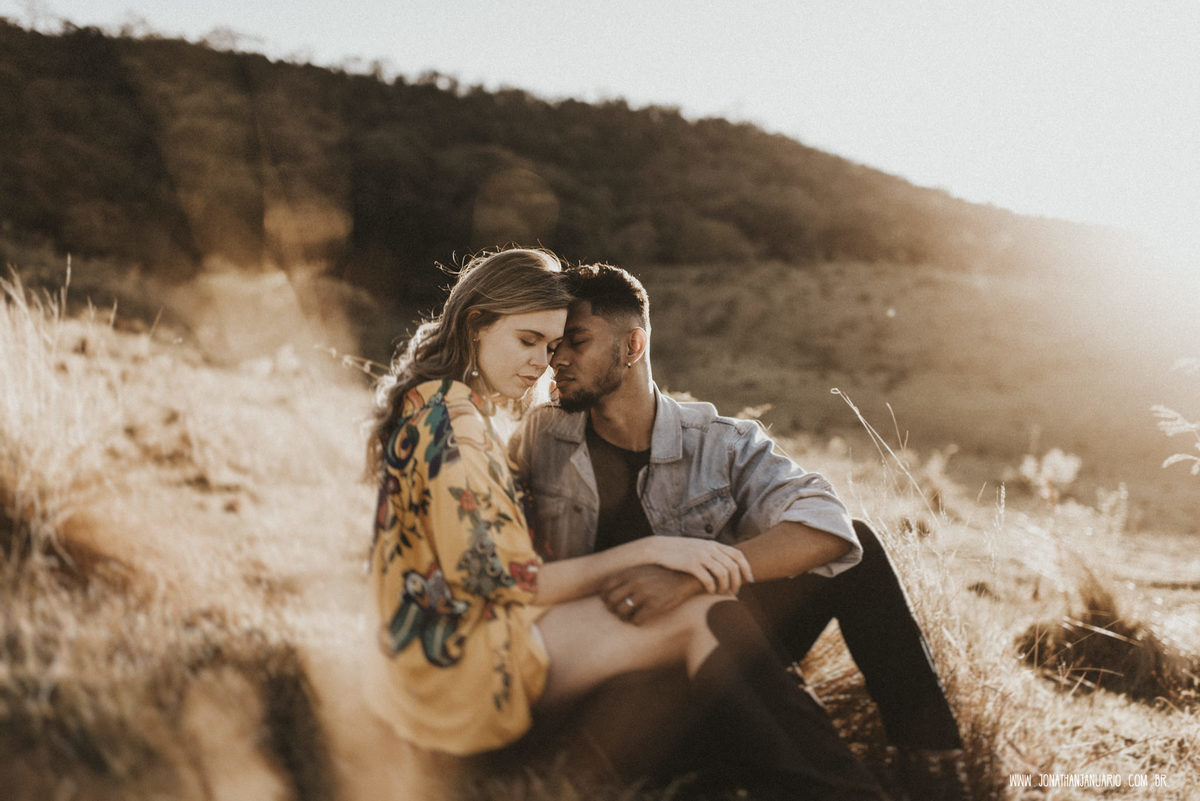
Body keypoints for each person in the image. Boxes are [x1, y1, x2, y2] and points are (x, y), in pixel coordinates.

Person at [366, 248, 889, 800]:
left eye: (553, 345)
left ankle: (767, 770)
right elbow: (506, 581)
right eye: (529, 341)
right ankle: (840, 791)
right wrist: (652, 552)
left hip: (428, 655)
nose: (545, 363)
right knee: (704, 613)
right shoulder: (461, 430)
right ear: (476, 324)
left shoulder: (435, 405)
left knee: (750, 590)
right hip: (459, 673)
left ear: (634, 346)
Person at [509, 262, 968, 799]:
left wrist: (690, 581)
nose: (556, 359)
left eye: (577, 341)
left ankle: (936, 771)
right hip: (616, 683)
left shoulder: (718, 442)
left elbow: (828, 526)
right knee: (717, 619)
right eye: (554, 345)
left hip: (716, 646)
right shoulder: (539, 440)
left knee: (858, 548)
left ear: (633, 346)